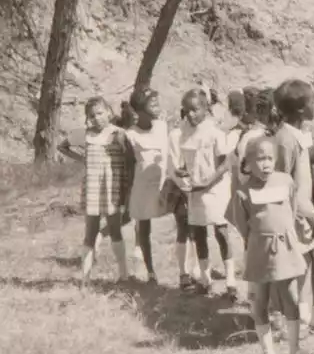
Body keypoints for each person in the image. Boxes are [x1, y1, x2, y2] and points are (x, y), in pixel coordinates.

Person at [230, 136, 310, 354]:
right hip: (259, 250)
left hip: (285, 247)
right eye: (259, 159)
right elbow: (242, 225)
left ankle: (294, 350)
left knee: (290, 298)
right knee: (261, 301)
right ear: (248, 163)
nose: (265, 164)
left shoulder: (285, 181)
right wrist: (256, 242)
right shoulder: (243, 193)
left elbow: (292, 209)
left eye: (269, 158)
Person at [273, 79, 314, 334]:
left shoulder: (301, 133)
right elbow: (281, 180)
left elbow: (312, 159)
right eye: (312, 102)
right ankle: (285, 318)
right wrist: (297, 214)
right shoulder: (285, 140)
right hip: (297, 213)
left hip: (308, 208)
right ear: (300, 109)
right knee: (297, 266)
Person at [170, 89, 236, 296]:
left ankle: (231, 280)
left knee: (221, 231)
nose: (191, 114)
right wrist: (183, 174)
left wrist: (208, 181)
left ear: (206, 109)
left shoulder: (215, 132)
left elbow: (226, 163)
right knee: (199, 233)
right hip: (196, 190)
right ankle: (206, 279)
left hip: (215, 188)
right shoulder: (182, 132)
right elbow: (182, 162)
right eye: (187, 110)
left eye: (195, 110)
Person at [59, 97, 133, 282]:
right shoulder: (85, 134)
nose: (97, 118)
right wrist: (81, 158)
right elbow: (62, 146)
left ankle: (123, 274)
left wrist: (127, 187)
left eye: (100, 113)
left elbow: (129, 161)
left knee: (115, 229)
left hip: (112, 187)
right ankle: (85, 277)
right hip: (92, 187)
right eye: (92, 115)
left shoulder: (119, 133)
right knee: (90, 231)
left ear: (109, 112)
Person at [125, 87, 170, 285]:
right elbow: (128, 165)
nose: (157, 107)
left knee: (185, 221)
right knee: (144, 228)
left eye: (157, 102)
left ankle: (190, 270)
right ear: (139, 110)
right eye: (152, 103)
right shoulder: (130, 135)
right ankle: (150, 271)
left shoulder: (162, 126)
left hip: (164, 183)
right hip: (143, 186)